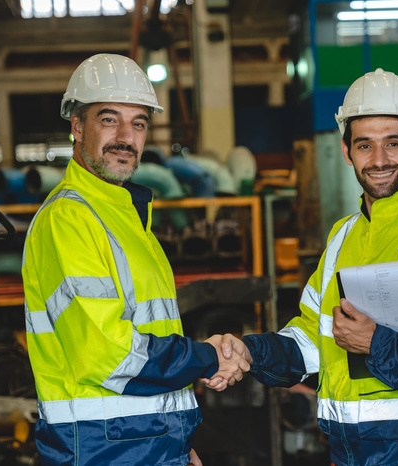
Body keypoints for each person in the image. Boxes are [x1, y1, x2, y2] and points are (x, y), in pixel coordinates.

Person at [206, 68, 398, 465]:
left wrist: (376, 343)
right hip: (348, 450)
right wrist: (251, 352)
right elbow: (313, 338)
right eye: (364, 146)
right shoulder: (343, 236)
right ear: (346, 152)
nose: (379, 160)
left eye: (392, 144)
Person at [22, 53, 248, 466]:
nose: (126, 136)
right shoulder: (68, 219)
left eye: (139, 123)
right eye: (109, 120)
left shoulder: (128, 218)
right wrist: (207, 356)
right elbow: (109, 356)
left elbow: (148, 337)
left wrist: (176, 442)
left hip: (144, 445)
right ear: (77, 126)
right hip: (103, 450)